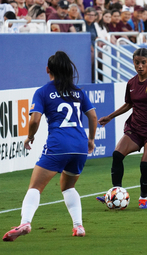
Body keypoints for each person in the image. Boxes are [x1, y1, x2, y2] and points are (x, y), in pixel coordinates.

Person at [2, 51, 98, 241]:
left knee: (35, 187)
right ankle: (78, 226)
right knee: (68, 187)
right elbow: (93, 116)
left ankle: (25, 222)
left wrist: (30, 137)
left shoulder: (43, 91)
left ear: (48, 69)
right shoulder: (78, 91)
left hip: (58, 145)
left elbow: (34, 120)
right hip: (79, 146)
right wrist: (91, 140)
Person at [96, 48, 147, 209]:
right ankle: (115, 193)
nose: (140, 66)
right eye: (137, 63)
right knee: (117, 155)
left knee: (145, 165)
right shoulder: (131, 83)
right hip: (135, 128)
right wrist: (110, 117)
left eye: (143, 63)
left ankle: (143, 199)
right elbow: (129, 104)